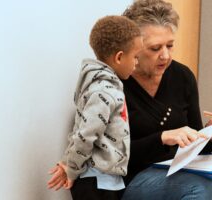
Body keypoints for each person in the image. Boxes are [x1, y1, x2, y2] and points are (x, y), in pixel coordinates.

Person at [120, 0, 212, 199]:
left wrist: (210, 133)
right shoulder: (116, 83)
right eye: (155, 48)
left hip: (179, 169)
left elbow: (194, 145)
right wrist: (162, 137)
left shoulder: (182, 76)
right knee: (200, 186)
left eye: (170, 45)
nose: (165, 55)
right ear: (134, 47)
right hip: (132, 176)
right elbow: (113, 154)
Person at [47, 15, 143, 200]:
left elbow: (81, 130)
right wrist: (71, 168)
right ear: (119, 57)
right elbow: (85, 134)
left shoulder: (105, 87)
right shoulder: (104, 92)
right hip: (96, 182)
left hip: (105, 180)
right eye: (135, 57)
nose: (137, 63)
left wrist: (68, 163)